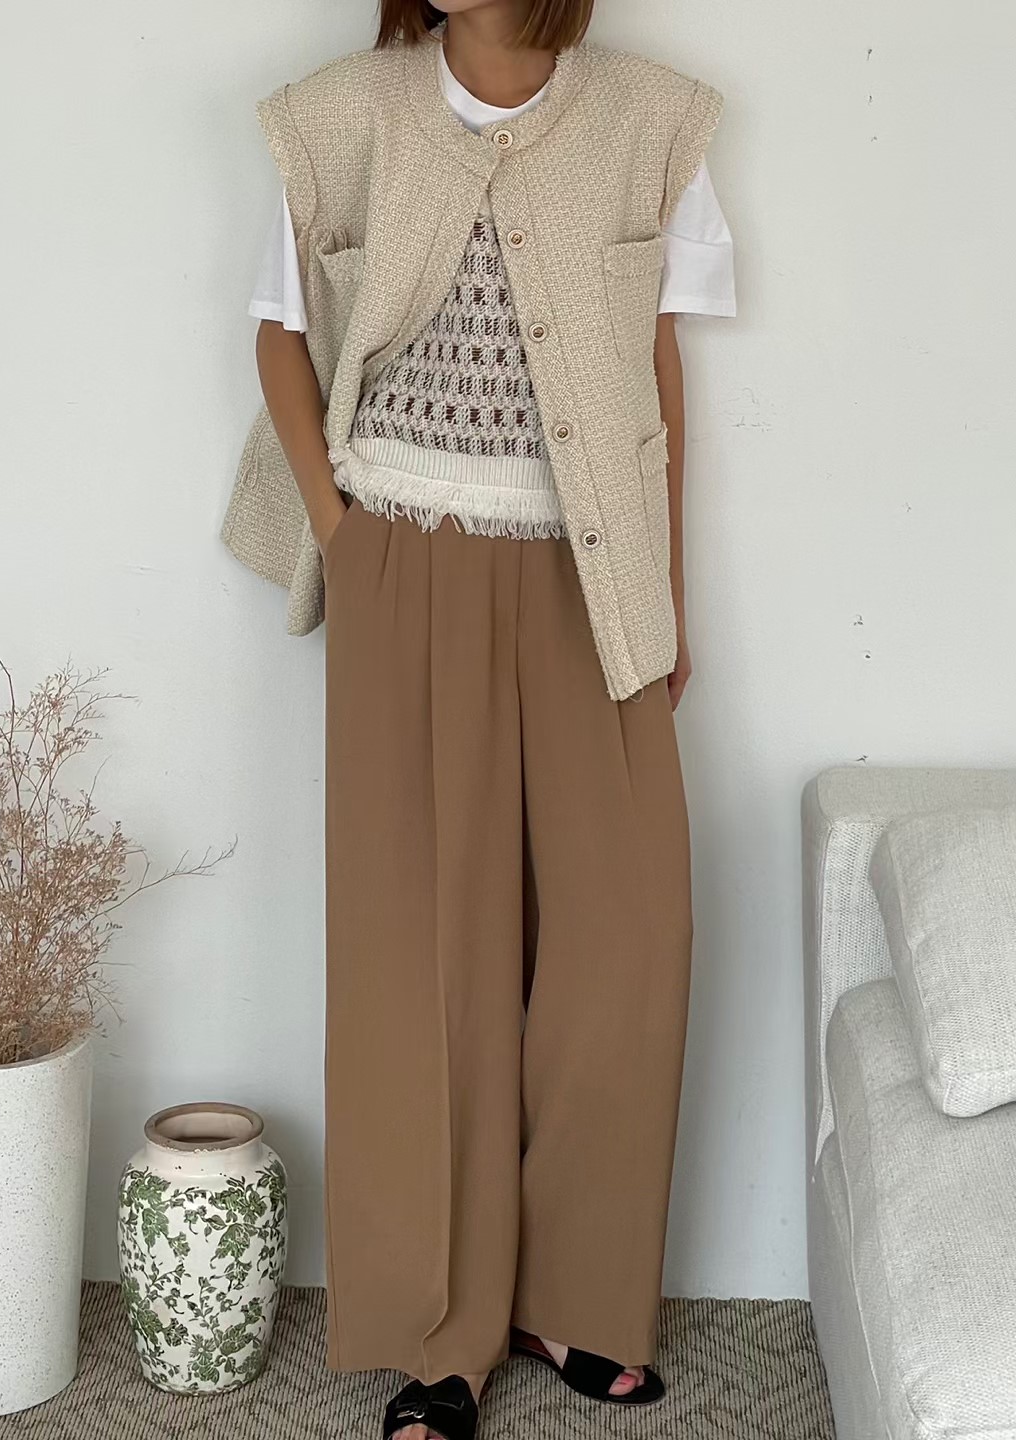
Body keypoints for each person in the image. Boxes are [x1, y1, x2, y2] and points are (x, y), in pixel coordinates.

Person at [229, 2, 735, 1436]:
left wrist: (662, 589)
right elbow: (278, 333)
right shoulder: (343, 112)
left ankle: (570, 1292)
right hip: (408, 561)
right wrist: (348, 538)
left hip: (591, 577)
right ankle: (440, 1336)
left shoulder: (649, 120)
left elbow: (656, 367)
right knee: (425, 958)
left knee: (628, 936)